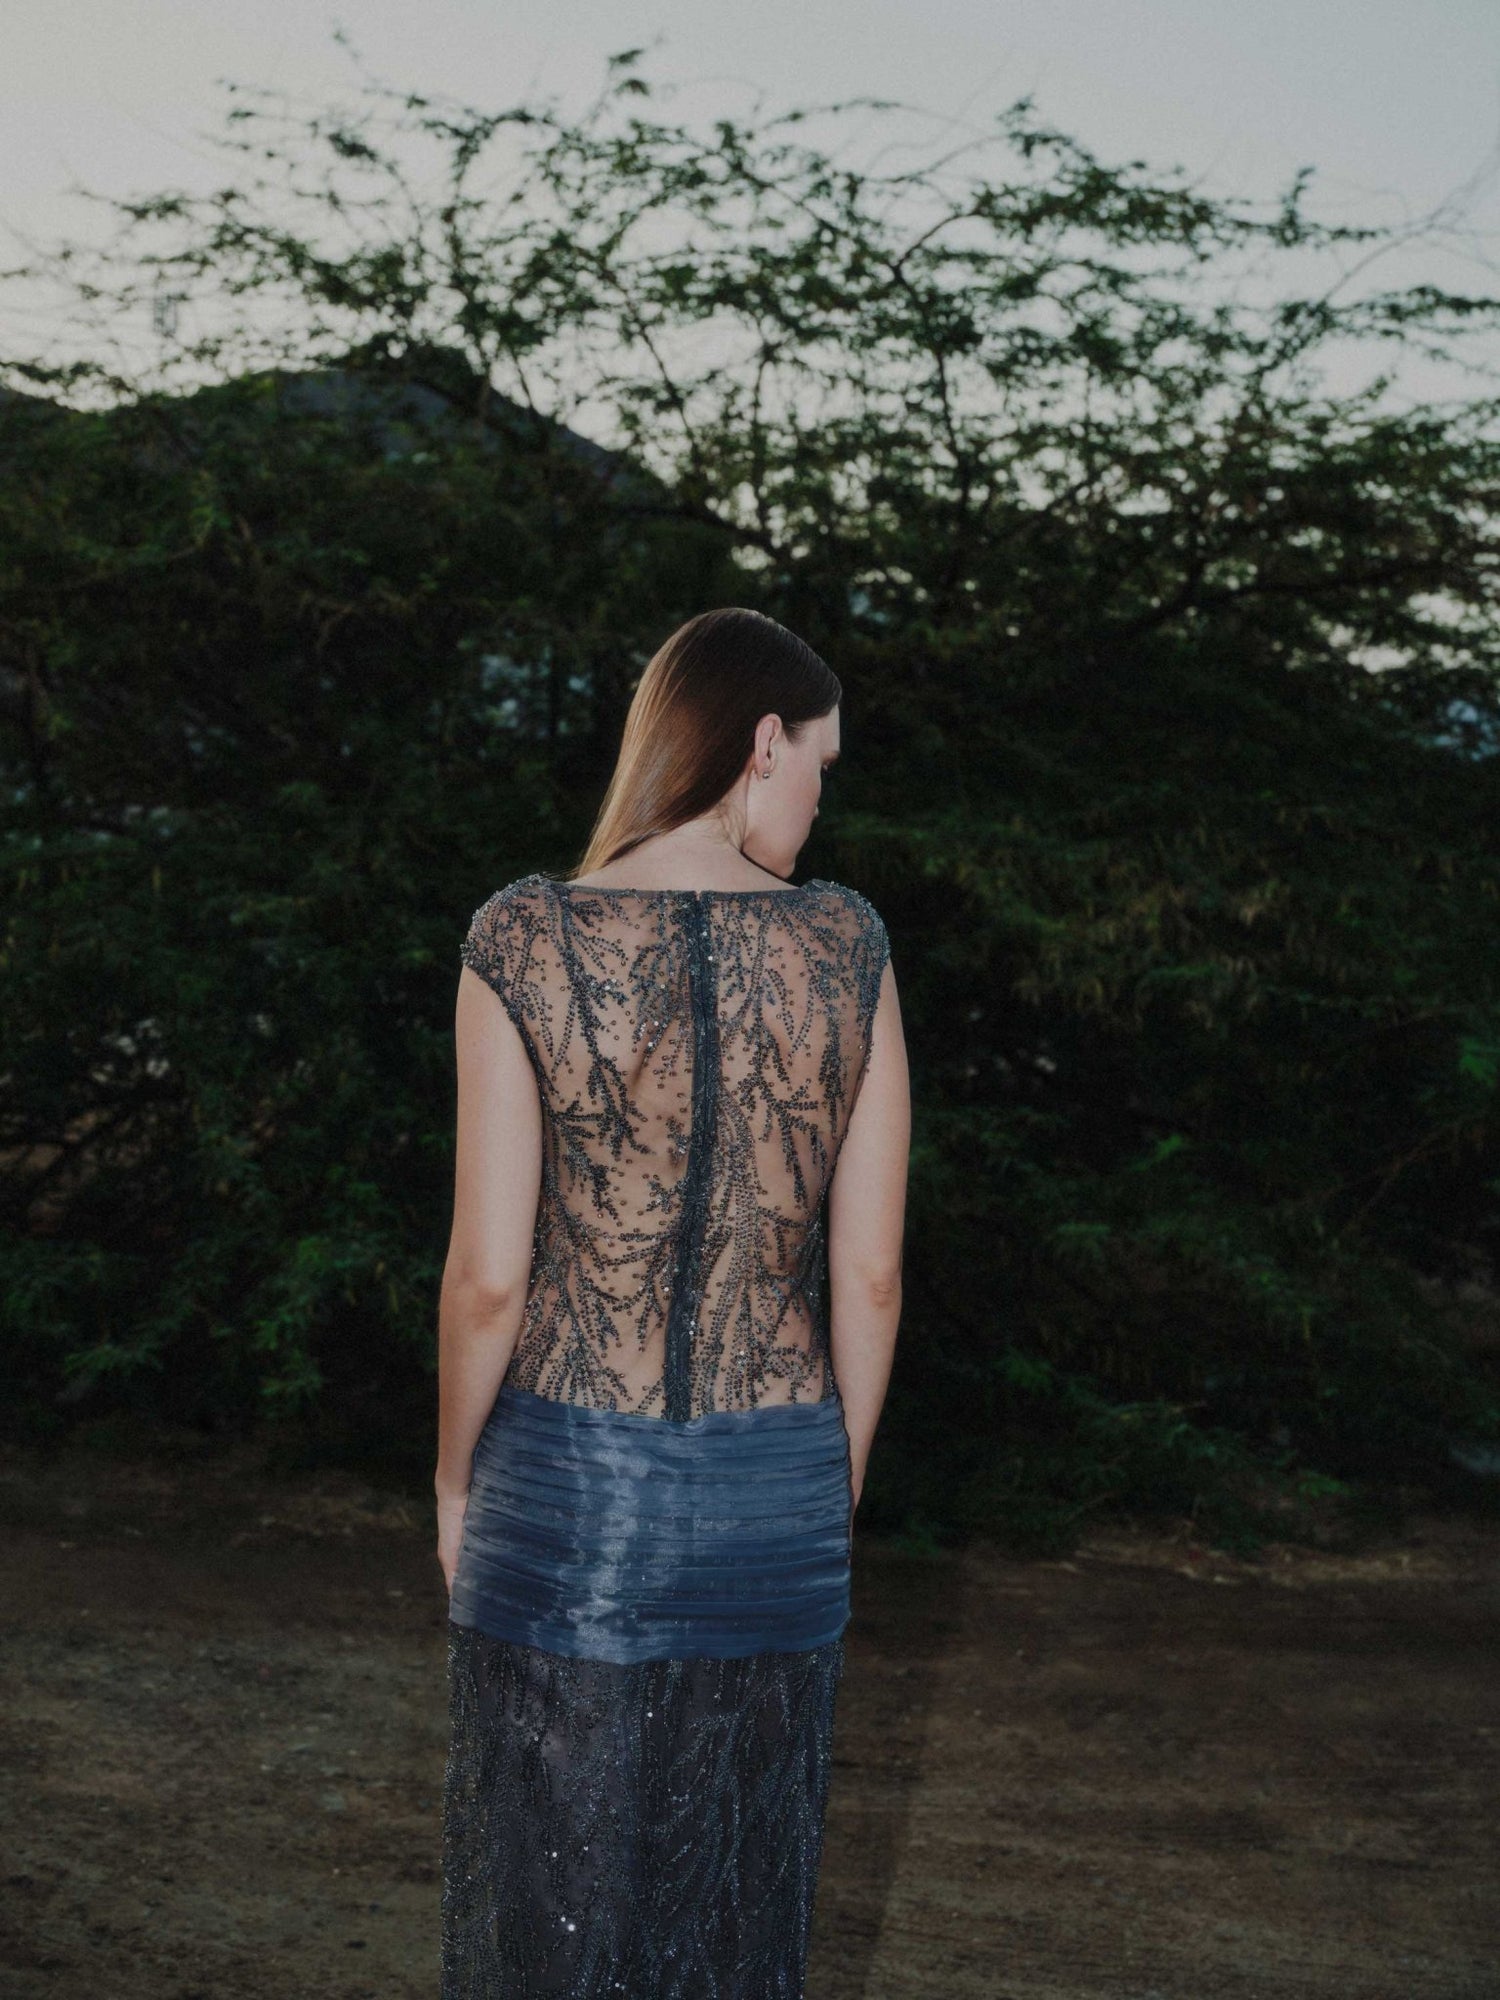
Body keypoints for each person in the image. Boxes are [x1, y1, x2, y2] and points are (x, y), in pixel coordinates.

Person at [435, 606, 910, 1998]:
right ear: (765, 741)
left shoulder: (522, 937)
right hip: (778, 1490)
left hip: (567, 1494)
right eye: (823, 761)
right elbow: (869, 1271)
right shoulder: (847, 948)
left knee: (555, 1898)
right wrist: (837, 1485)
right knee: (734, 1907)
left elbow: (488, 1275)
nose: (823, 799)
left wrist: (458, 1485)